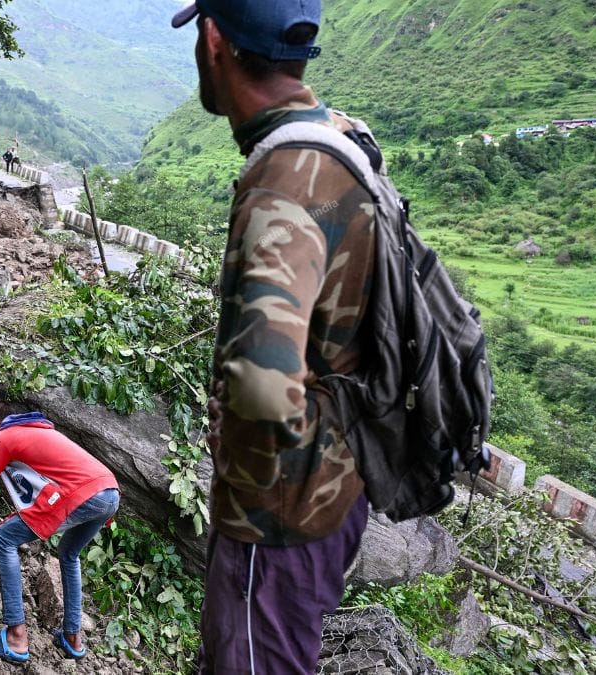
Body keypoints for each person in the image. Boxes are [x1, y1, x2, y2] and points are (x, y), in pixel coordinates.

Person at [171, 1, 373, 672]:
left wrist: (244, 495)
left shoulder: (283, 184)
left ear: (213, 41)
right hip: (338, 486)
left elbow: (263, 382)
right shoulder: (338, 139)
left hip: (279, 517)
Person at [0, 400, 120, 664]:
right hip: (110, 493)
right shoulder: (38, 431)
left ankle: (16, 637)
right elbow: (40, 503)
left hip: (80, 495)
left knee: (5, 539)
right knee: (69, 553)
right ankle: (73, 638)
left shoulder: (3, 438)